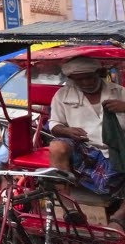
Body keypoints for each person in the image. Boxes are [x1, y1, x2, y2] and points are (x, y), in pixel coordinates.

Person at [48, 58, 125, 230]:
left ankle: (119, 217)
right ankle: (68, 208)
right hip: (85, 150)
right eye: (79, 79)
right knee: (56, 147)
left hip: (118, 150)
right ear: (72, 79)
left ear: (99, 73)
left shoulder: (119, 92)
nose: (85, 83)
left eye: (89, 77)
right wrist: (67, 131)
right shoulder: (62, 95)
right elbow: (54, 125)